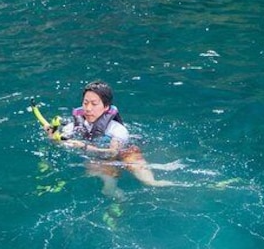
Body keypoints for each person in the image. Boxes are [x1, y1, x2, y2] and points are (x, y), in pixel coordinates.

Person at [43, 81, 175, 197]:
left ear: (106, 107)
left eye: (94, 104)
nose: (88, 108)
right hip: (99, 159)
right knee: (102, 177)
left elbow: (113, 152)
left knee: (144, 173)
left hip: (124, 152)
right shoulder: (73, 127)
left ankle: (160, 184)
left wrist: (83, 147)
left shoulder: (117, 130)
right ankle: (114, 191)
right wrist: (52, 136)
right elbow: (59, 143)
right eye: (85, 103)